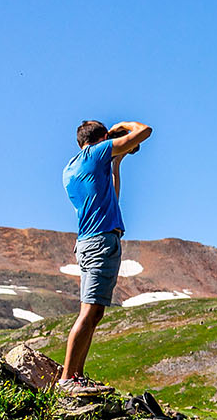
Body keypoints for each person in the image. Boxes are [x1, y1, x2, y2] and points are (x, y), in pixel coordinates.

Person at [58, 118, 153, 395]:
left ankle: (76, 376)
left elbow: (112, 196)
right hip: (101, 242)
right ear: (101, 141)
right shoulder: (96, 152)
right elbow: (144, 131)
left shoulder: (72, 167)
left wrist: (117, 164)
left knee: (94, 311)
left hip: (88, 241)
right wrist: (121, 127)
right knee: (89, 312)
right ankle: (67, 379)